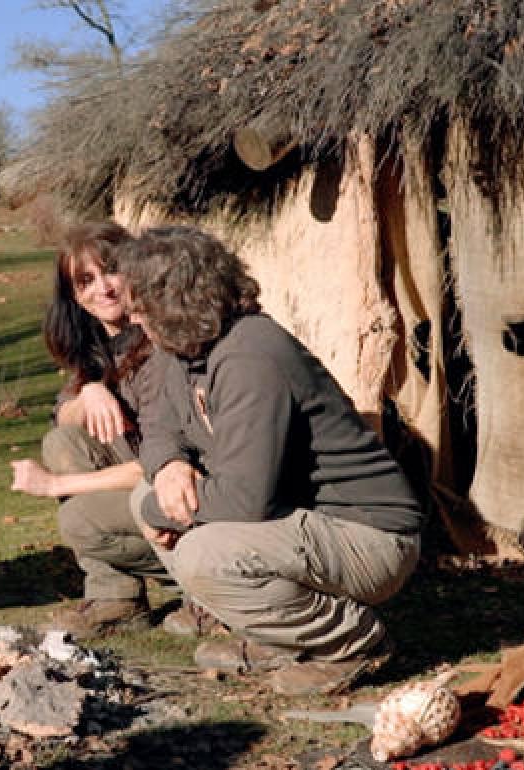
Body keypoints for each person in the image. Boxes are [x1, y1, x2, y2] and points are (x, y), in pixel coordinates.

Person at [118, 226, 424, 696]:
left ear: (173, 300)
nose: (133, 316)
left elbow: (243, 501)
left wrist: (156, 512)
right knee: (149, 490)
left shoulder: (251, 356)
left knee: (202, 550)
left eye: (141, 304)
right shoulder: (182, 350)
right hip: (296, 518)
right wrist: (168, 467)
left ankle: (351, 642)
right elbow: (157, 422)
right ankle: (282, 638)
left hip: (368, 535)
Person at [9, 222, 186, 639]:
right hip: (147, 489)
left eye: (111, 271)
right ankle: (116, 597)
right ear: (74, 294)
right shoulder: (97, 348)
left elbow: (161, 463)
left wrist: (57, 484)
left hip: (182, 492)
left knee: (78, 518)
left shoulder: (161, 344)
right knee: (63, 440)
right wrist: (89, 392)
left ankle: (203, 584)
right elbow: (62, 415)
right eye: (85, 280)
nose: (102, 288)